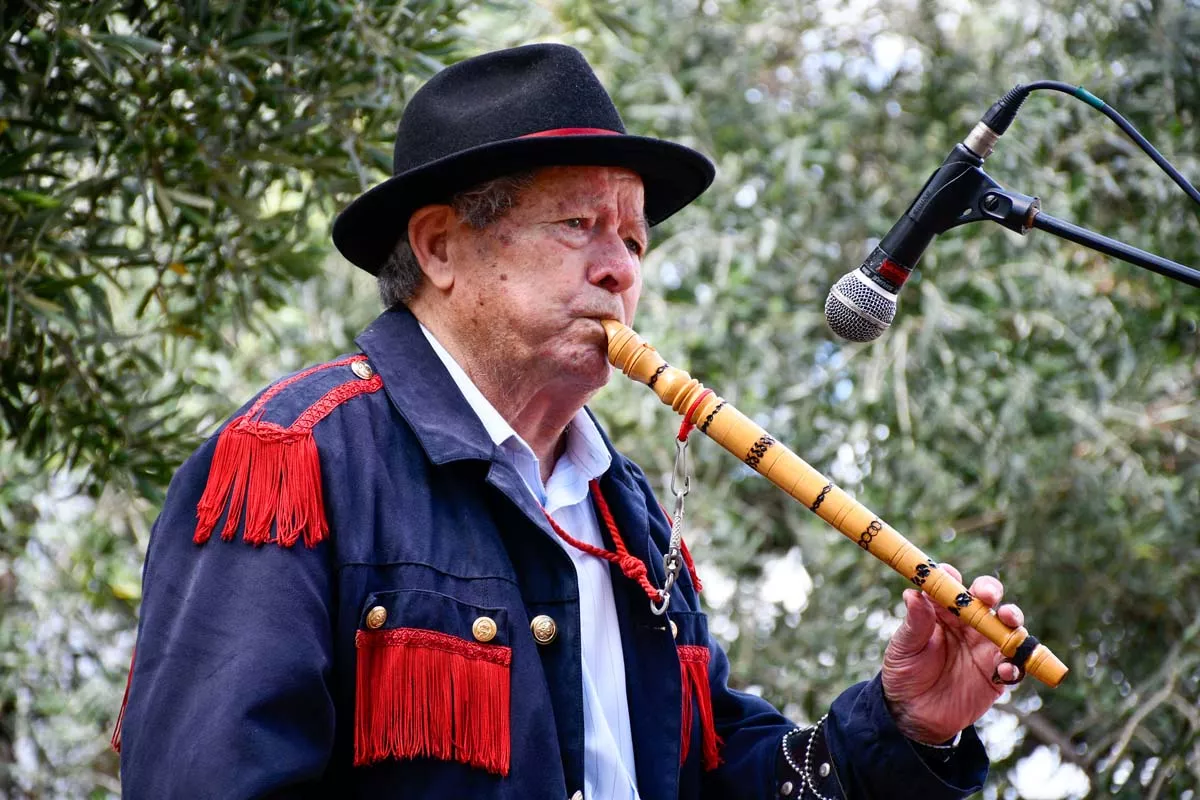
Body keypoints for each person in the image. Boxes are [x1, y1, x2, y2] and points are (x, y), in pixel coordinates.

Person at [116, 43, 1028, 799]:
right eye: (578, 224)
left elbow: (709, 777)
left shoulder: (625, 511)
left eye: (633, 239)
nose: (620, 271)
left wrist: (904, 725)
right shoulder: (293, 463)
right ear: (440, 247)